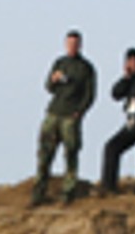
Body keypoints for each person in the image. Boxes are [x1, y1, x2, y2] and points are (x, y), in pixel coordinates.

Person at [33, 30, 97, 206]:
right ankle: (38, 193)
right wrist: (54, 79)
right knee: (44, 154)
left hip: (70, 116)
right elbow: (48, 87)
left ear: (80, 45)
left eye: (75, 44)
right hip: (54, 112)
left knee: (71, 154)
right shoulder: (59, 63)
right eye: (69, 44)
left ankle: (68, 193)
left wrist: (79, 112)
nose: (72, 47)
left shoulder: (86, 68)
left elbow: (90, 95)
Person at [99, 48, 135, 197]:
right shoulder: (130, 78)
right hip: (132, 122)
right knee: (111, 147)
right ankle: (108, 185)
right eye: (129, 61)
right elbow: (115, 94)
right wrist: (126, 78)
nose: (132, 64)